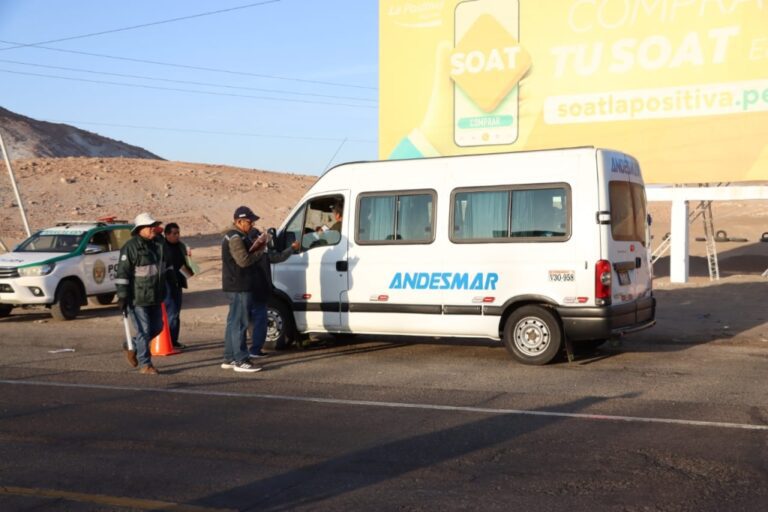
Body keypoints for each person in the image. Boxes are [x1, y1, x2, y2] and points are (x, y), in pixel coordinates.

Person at [116, 212, 174, 375]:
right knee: (144, 330)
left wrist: (173, 279)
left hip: (156, 295)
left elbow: (167, 265)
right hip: (138, 297)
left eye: (153, 226)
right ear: (140, 229)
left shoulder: (160, 244)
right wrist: (122, 296)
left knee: (157, 328)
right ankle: (145, 364)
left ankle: (132, 345)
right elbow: (122, 274)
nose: (153, 229)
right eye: (149, 226)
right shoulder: (130, 247)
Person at [221, 206, 269, 373]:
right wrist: (260, 251)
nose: (252, 224)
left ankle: (229, 357)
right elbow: (243, 261)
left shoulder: (235, 235)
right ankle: (241, 359)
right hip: (240, 285)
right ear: (239, 221)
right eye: (249, 221)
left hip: (236, 284)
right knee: (240, 322)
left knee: (233, 321)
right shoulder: (235, 237)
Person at [247, 226, 299, 358]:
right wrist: (292, 248)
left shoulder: (249, 255)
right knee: (259, 320)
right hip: (260, 291)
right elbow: (280, 257)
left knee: (251, 320)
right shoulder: (260, 254)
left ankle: (249, 350)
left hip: (252, 291)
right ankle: (254, 350)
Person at [163, 222, 191, 349]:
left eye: (178, 233)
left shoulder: (181, 246)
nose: (177, 235)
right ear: (167, 234)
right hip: (166, 283)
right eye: (174, 233)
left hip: (178, 282)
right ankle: (167, 341)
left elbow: (184, 263)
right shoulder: (161, 247)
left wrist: (189, 271)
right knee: (172, 312)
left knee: (176, 313)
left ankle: (173, 340)